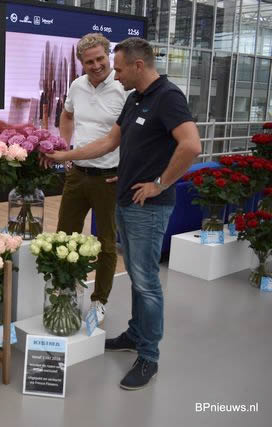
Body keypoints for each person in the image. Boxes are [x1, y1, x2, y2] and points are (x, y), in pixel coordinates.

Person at [43, 37, 201, 390]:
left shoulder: (168, 97)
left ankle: (148, 356)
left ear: (137, 65)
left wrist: (159, 184)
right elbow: (109, 143)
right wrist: (65, 156)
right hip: (127, 200)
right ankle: (134, 334)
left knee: (147, 283)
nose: (114, 74)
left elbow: (191, 145)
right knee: (137, 276)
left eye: (118, 68)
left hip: (149, 206)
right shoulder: (135, 98)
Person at [57, 33, 128, 325]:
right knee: (65, 237)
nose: (96, 65)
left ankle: (99, 301)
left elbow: (136, 135)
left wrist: (127, 169)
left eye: (100, 59)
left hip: (109, 178)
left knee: (107, 243)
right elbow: (67, 116)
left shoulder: (124, 88)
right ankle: (67, 288)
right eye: (89, 62)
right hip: (77, 175)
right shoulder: (77, 86)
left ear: (108, 56)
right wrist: (65, 147)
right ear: (82, 63)